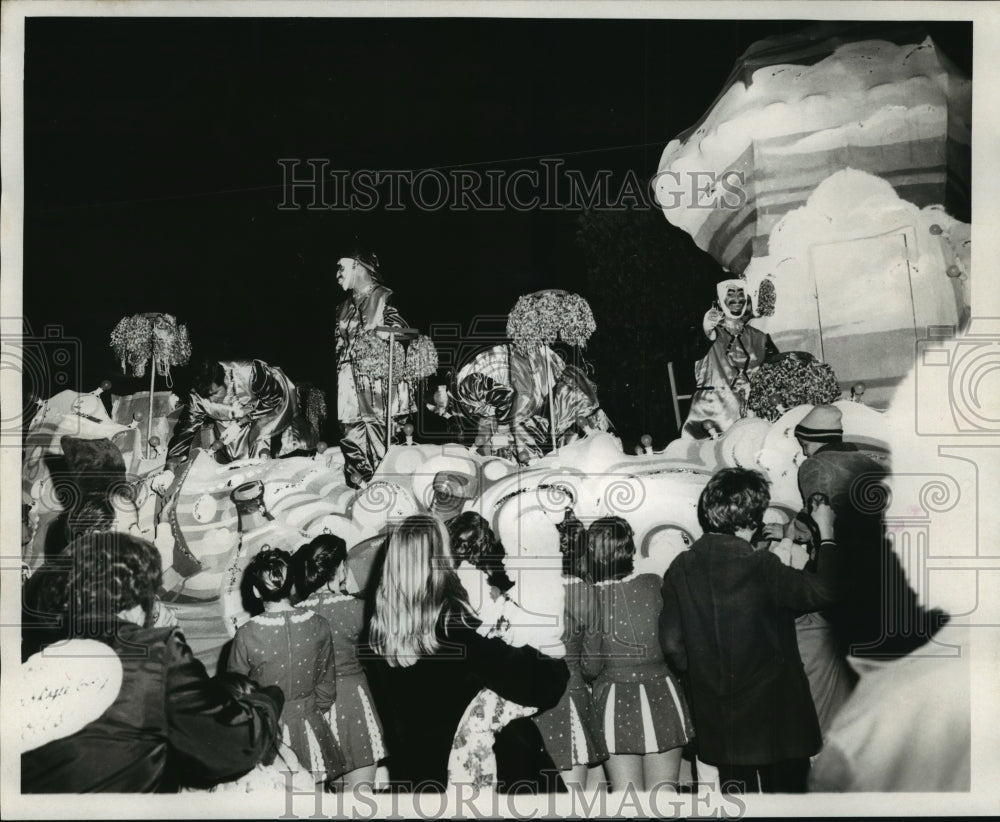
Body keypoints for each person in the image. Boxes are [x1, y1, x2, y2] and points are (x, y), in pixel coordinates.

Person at [21, 532, 283, 793]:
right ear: (135, 597)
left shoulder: (37, 661)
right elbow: (235, 744)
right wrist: (267, 699)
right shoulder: (156, 650)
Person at [659, 468, 841, 793]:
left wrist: (704, 670)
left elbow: (672, 644)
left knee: (738, 804)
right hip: (778, 717)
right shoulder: (762, 567)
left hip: (720, 715)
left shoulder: (681, 567)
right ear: (754, 516)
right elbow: (825, 590)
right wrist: (826, 532)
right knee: (789, 808)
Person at [362, 514, 569, 792]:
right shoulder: (451, 622)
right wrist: (553, 661)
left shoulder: (377, 633)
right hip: (480, 775)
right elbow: (532, 682)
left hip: (420, 776)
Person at [581, 516, 693, 793]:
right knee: (664, 798)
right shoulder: (654, 584)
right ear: (629, 550)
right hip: (662, 696)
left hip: (614, 704)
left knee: (626, 799)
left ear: (592, 555)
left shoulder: (593, 600)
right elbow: (673, 640)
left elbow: (590, 668)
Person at [227, 548, 347, 787]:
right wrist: (308, 713)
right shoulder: (319, 624)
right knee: (315, 807)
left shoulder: (246, 634)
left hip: (267, 737)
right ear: (292, 586)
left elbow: (234, 696)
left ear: (254, 590)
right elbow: (327, 688)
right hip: (312, 727)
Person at [293, 535, 387, 791]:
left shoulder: (295, 614)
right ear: (342, 567)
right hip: (354, 703)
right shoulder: (359, 609)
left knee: (327, 804)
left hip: (314, 708)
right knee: (361, 797)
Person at [531, 509, 609, 792]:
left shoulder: (527, 588)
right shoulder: (586, 593)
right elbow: (592, 665)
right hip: (574, 692)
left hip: (537, 698)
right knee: (587, 791)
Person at [454, 343, 611, 463]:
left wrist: (499, 434)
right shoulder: (472, 391)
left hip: (542, 395)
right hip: (542, 399)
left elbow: (506, 401)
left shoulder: (467, 387)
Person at [334, 252, 413, 487]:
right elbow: (339, 345)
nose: (337, 274)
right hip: (348, 379)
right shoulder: (342, 307)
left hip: (378, 377)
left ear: (358, 266)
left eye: (341, 267)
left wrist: (384, 334)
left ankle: (389, 485)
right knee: (350, 430)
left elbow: (406, 331)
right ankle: (362, 486)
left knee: (381, 429)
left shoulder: (385, 296)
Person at [683, 278, 779, 439]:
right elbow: (690, 354)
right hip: (712, 414)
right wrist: (705, 333)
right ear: (719, 300)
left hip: (754, 413)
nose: (737, 299)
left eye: (741, 293)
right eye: (730, 293)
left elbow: (776, 370)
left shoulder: (760, 337)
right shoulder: (707, 333)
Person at [166, 358, 301, 468]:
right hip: (230, 421)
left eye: (215, 393)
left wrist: (244, 420)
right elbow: (186, 429)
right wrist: (171, 463)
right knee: (238, 461)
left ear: (225, 379)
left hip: (269, 409)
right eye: (207, 396)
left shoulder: (250, 373)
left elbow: (273, 399)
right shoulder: (196, 395)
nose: (212, 400)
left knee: (265, 447)